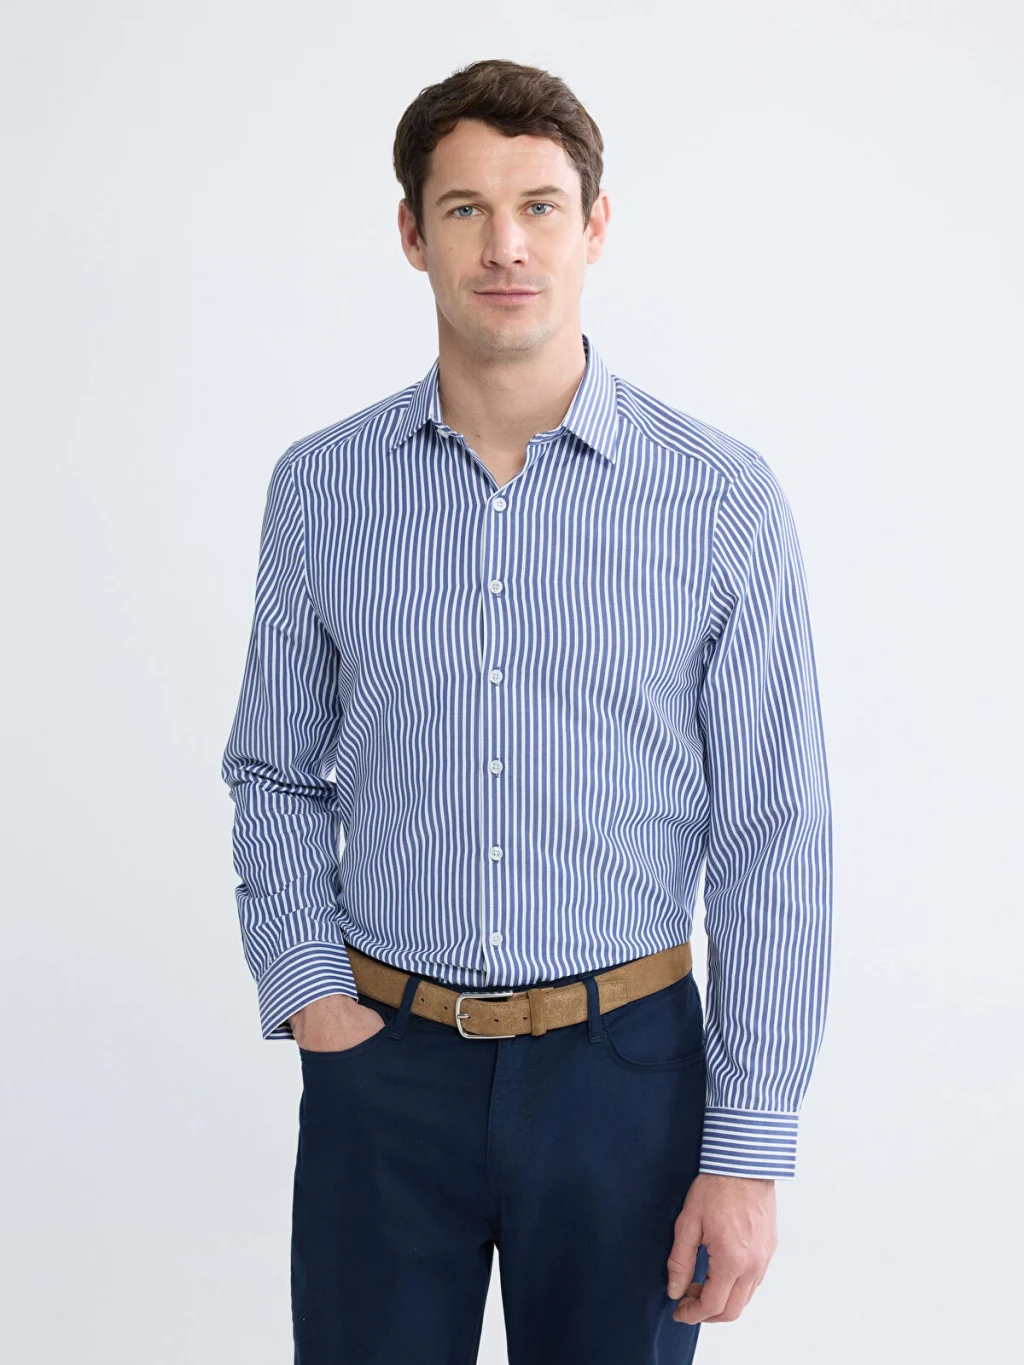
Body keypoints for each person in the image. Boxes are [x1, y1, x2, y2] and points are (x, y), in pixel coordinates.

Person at [220, 56, 833, 1365]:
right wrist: (311, 992)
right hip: (385, 1071)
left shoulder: (721, 500)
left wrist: (748, 1149)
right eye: (466, 209)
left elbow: (775, 831)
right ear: (412, 234)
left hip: (628, 1080)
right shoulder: (321, 490)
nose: (506, 245)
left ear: (594, 226)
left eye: (541, 206)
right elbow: (273, 770)